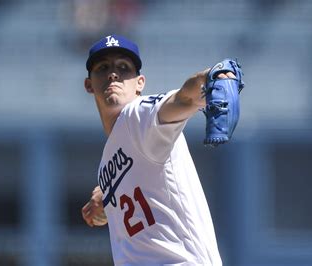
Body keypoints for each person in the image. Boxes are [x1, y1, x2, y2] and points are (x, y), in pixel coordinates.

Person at [81, 34, 235, 265]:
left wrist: (211, 77)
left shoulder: (139, 115)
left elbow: (184, 99)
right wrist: (107, 198)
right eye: (103, 67)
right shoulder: (109, 158)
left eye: (123, 67)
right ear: (89, 84)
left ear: (140, 83)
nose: (113, 74)